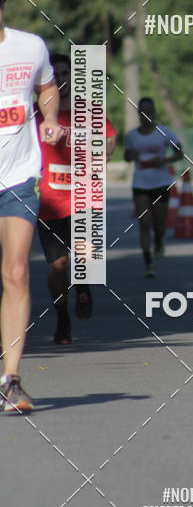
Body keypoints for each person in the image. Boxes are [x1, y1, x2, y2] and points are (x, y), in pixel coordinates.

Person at [0, 0, 61, 412]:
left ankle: (11, 380)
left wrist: (50, 117)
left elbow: (47, 88)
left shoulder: (30, 47)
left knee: (17, 272)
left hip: (20, 176)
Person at [36, 53, 116, 344]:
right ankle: (62, 317)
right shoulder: (37, 112)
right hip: (49, 201)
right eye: (55, 74)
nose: (60, 79)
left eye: (64, 73)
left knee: (84, 255)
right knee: (57, 266)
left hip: (84, 196)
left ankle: (83, 286)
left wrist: (103, 155)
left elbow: (109, 137)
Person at [124, 98, 183, 277]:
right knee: (144, 223)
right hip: (140, 184)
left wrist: (164, 160)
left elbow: (179, 153)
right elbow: (127, 156)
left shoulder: (164, 132)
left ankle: (159, 241)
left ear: (154, 112)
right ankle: (148, 262)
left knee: (159, 224)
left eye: (149, 111)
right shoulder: (132, 136)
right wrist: (130, 155)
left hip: (161, 183)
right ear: (138, 114)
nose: (146, 114)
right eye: (143, 111)